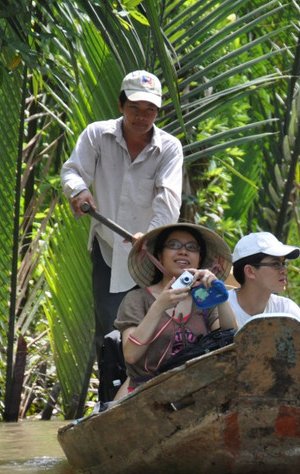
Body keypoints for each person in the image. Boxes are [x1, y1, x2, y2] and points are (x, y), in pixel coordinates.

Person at [60, 70, 184, 384]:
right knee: (111, 333)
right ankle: (111, 398)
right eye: (135, 108)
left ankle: (154, 391)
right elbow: (73, 171)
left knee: (157, 328)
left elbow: (168, 199)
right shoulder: (96, 135)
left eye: (150, 110)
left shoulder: (169, 148)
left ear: (158, 112)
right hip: (108, 251)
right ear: (120, 104)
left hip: (150, 257)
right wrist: (79, 191)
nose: (142, 117)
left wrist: (151, 236)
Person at [114, 223, 236, 393]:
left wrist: (219, 295)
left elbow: (230, 340)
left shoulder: (202, 298)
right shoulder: (137, 299)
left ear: (199, 259)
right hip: (146, 396)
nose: (183, 251)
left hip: (198, 391)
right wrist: (159, 306)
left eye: (192, 247)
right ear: (159, 255)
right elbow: (131, 355)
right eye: (174, 245)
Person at [228, 231, 300, 351]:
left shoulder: (285, 309)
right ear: (250, 271)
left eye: (284, 263)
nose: (284, 270)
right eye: (276, 264)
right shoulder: (222, 307)